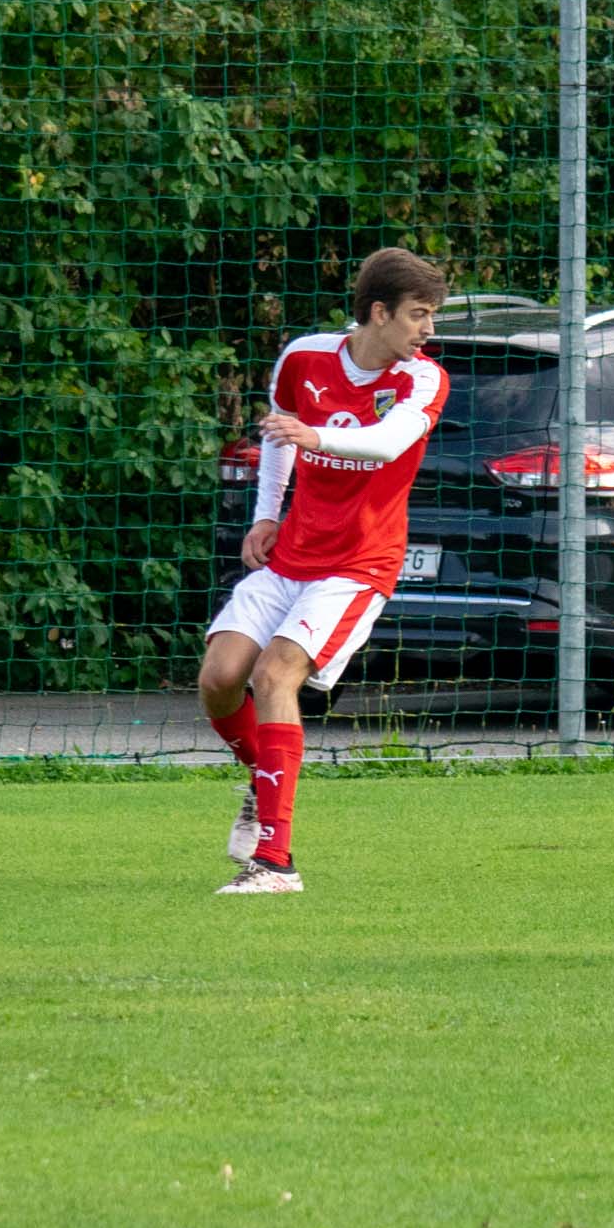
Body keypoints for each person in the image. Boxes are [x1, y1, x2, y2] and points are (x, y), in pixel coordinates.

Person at [201, 247, 449, 896]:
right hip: (291, 554)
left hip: (358, 566)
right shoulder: (304, 357)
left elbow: (387, 443)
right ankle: (263, 780)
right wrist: (266, 515)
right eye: (418, 314)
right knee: (219, 679)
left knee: (274, 675)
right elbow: (278, 435)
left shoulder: (422, 379)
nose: (428, 329)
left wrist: (318, 437)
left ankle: (275, 863)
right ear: (378, 312)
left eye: (432, 315)